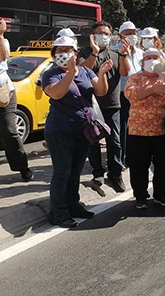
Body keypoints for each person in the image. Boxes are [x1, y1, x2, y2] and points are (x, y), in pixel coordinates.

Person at [42, 36, 111, 228]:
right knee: (62, 172)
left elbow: (100, 91)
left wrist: (103, 73)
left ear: (76, 52)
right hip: (60, 131)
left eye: (68, 50)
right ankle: (58, 212)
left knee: (75, 172)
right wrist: (70, 73)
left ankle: (73, 205)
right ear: (54, 54)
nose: (63, 53)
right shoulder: (51, 74)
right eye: (59, 50)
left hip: (83, 131)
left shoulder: (86, 71)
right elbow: (56, 93)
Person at [125, 49, 165, 209]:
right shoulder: (135, 78)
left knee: (163, 165)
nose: (151, 60)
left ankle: (161, 194)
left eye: (154, 58)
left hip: (162, 131)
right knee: (138, 167)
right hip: (138, 131)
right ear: (142, 62)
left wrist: (164, 92)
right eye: (148, 58)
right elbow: (131, 94)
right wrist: (151, 89)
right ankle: (140, 196)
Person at [80, 21, 130, 194]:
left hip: (112, 104)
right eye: (100, 33)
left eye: (107, 33)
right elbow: (82, 72)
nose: (104, 36)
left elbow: (124, 73)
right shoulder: (85, 53)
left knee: (114, 140)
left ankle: (115, 174)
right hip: (92, 106)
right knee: (93, 140)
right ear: (93, 35)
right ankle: (97, 173)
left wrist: (123, 55)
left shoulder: (115, 54)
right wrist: (94, 52)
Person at [0, 18, 33, 181]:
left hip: (5, 93)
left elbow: (4, 57)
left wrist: (0, 35)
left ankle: (23, 167)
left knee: (9, 130)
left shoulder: (3, 41)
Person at [117, 21, 142, 168]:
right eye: (128, 33)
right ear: (121, 36)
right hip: (122, 95)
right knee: (122, 128)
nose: (132, 36)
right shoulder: (115, 51)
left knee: (135, 128)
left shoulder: (140, 53)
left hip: (138, 96)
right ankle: (122, 158)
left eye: (133, 33)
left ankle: (133, 155)